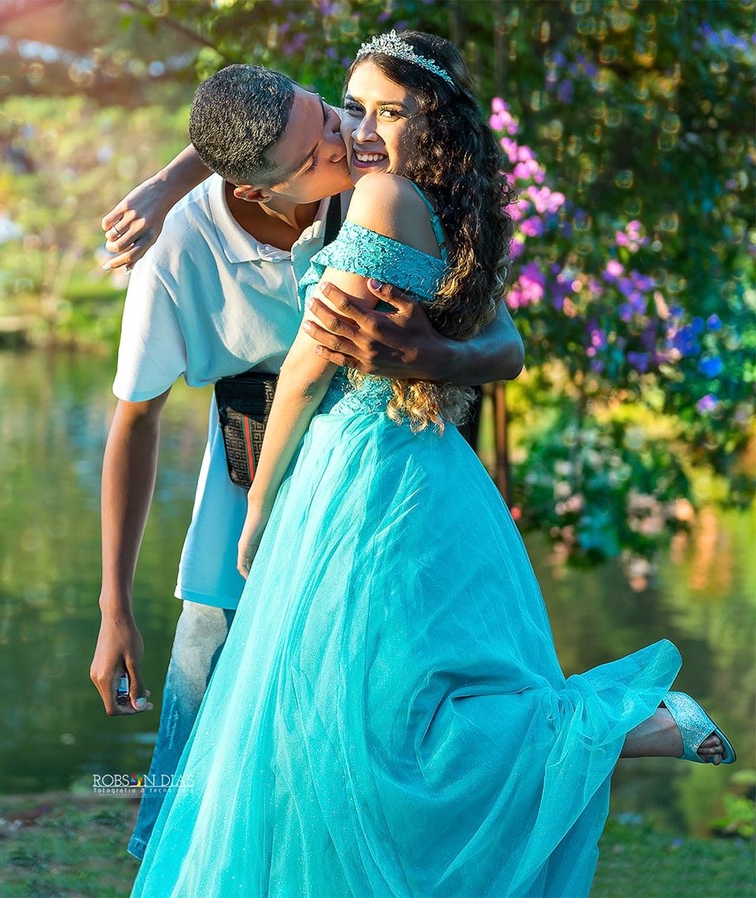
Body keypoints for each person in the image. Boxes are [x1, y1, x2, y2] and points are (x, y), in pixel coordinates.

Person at [130, 31, 735, 898]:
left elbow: (304, 370)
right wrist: (162, 186)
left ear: (434, 122)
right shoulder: (437, 200)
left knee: (367, 725)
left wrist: (259, 503)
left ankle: (626, 725)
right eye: (352, 109)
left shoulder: (378, 194)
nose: (360, 129)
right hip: (407, 464)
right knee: (349, 713)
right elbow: (246, 117)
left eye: (387, 111)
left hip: (365, 473)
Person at [88, 64, 527, 862]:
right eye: (323, 138)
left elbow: (504, 344)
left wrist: (432, 354)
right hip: (246, 501)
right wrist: (114, 603)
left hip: (366, 501)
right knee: (187, 760)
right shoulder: (179, 250)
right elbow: (136, 422)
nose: (345, 135)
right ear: (260, 190)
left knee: (372, 741)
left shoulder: (369, 182)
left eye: (332, 113)